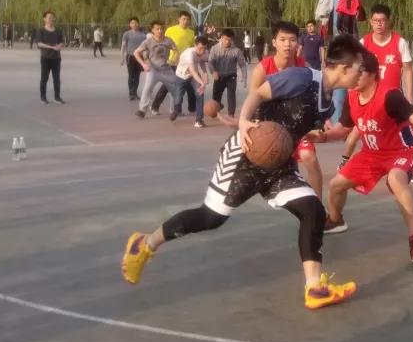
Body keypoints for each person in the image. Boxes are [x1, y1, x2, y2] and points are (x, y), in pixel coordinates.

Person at [121, 35, 367, 310]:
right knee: (211, 217)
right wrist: (244, 122)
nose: (361, 74)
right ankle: (145, 243)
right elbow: (258, 93)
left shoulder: (328, 103)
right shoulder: (302, 78)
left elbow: (299, 127)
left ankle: (314, 288)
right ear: (344, 67)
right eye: (359, 68)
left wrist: (321, 135)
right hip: (245, 155)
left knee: (313, 211)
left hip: (278, 165)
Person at [325, 50, 413, 263]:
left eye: (360, 71)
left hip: (403, 151)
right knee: (336, 185)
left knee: (395, 180)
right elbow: (342, 130)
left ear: (373, 74)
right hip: (372, 154)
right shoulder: (352, 96)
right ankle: (336, 220)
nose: (355, 76)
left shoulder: (390, 95)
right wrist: (320, 136)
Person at [249, 22, 324, 196]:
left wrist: (317, 125)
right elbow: (253, 101)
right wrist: (253, 127)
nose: (287, 44)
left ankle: (318, 206)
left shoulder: (303, 67)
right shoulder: (262, 69)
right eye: (282, 40)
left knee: (310, 159)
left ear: (298, 42)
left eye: (292, 40)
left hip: (296, 125)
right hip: (272, 127)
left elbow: (312, 100)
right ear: (274, 42)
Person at [358, 4, 413, 185]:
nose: (379, 24)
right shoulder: (364, 43)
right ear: (370, 22)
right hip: (372, 98)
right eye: (376, 20)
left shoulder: (399, 42)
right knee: (367, 133)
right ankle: (362, 165)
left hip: (394, 99)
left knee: (410, 132)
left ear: (388, 21)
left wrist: (410, 94)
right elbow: (357, 69)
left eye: (383, 20)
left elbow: (408, 69)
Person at [134, 20, 179, 118]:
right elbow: (136, 53)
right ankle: (142, 110)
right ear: (152, 30)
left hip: (166, 69)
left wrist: (172, 60)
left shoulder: (168, 40)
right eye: (157, 29)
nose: (160, 31)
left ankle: (174, 110)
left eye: (161, 28)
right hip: (153, 69)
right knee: (147, 88)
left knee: (175, 89)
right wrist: (143, 64)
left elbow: (176, 50)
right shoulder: (148, 42)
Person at [157, 11, 197, 114]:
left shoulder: (191, 32)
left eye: (188, 19)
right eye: (183, 19)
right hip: (172, 62)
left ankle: (192, 108)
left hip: (185, 64)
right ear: (179, 19)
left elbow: (192, 48)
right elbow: (163, 44)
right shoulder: (171, 30)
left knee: (190, 86)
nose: (185, 21)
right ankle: (156, 106)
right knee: (168, 86)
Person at [173, 36, 212, 127]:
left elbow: (202, 62)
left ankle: (199, 120)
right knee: (178, 98)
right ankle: (176, 110)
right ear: (195, 45)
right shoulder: (189, 54)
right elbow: (193, 71)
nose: (202, 51)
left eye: (204, 48)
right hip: (181, 75)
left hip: (193, 77)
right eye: (200, 48)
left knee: (200, 93)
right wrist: (202, 82)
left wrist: (205, 75)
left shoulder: (205, 52)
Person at [209, 29, 248, 116]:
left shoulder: (236, 51)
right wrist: (213, 72)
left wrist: (244, 77)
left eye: (230, 40)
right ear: (221, 38)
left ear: (232, 40)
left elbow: (242, 65)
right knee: (215, 97)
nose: (227, 42)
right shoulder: (214, 49)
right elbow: (210, 62)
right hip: (219, 76)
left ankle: (231, 114)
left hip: (231, 76)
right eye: (226, 39)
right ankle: (217, 108)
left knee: (231, 95)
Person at [35, 11, 66, 104]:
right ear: (44, 19)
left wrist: (59, 46)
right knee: (44, 78)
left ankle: (57, 97)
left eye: (52, 17)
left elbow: (62, 42)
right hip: (45, 58)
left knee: (57, 79)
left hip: (56, 58)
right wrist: (52, 47)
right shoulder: (41, 30)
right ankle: (43, 97)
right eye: (49, 17)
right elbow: (39, 43)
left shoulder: (58, 31)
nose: (51, 19)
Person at [120, 17, 148, 101]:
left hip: (139, 57)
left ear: (138, 23)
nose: (134, 24)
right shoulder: (127, 34)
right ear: (130, 24)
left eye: (136, 22)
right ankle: (131, 93)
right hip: (130, 56)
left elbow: (145, 48)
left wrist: (146, 59)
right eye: (132, 23)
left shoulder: (143, 35)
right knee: (131, 75)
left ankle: (135, 92)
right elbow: (123, 46)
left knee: (137, 76)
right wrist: (122, 57)